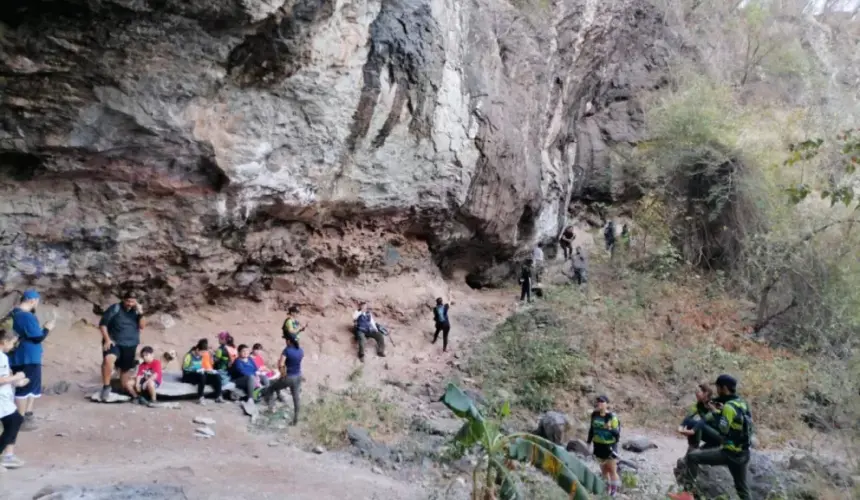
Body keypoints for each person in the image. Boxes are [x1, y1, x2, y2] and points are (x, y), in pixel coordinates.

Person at [682, 375, 753, 500]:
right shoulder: (742, 403)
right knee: (742, 489)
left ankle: (686, 495)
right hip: (744, 453)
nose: (717, 390)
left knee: (692, 457)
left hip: (730, 453)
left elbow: (722, 429)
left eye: (718, 387)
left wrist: (715, 412)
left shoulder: (729, 407)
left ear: (724, 388)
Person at [8, 289, 55, 431]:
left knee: (26, 386)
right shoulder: (26, 316)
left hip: (17, 355)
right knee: (25, 387)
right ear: (32, 300)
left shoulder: (13, 313)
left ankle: (27, 415)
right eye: (37, 301)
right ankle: (20, 419)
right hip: (28, 356)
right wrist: (47, 329)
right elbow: (37, 337)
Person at [99, 291, 145, 403]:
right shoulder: (115, 308)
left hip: (130, 344)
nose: (129, 303)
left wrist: (141, 313)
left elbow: (142, 326)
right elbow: (103, 324)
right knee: (108, 359)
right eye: (127, 301)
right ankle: (106, 387)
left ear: (136, 302)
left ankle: (129, 392)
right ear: (123, 300)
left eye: (132, 301)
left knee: (124, 371)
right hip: (114, 342)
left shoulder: (136, 311)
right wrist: (107, 339)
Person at [1, 328, 29, 469]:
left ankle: (7, 456)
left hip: (4, 397)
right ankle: (6, 456)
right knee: (15, 421)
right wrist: (16, 377)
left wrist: (15, 382)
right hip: (1, 399)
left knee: (13, 422)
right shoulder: (1, 357)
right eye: (12, 343)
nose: (13, 346)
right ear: (4, 342)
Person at [261, 334, 303, 425]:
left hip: (289, 377)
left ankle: (271, 408)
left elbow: (281, 364)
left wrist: (282, 374)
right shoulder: (300, 350)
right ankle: (296, 419)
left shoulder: (287, 350)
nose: (285, 341)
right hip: (298, 376)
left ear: (289, 341)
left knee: (271, 388)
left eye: (286, 340)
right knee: (296, 398)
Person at [587, 395, 621, 497]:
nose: (600, 404)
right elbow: (591, 429)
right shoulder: (594, 415)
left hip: (609, 446)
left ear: (607, 404)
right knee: (603, 470)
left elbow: (617, 434)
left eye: (602, 402)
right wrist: (588, 442)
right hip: (598, 446)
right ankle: (607, 489)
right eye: (598, 402)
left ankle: (614, 491)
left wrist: (610, 428)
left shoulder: (612, 417)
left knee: (612, 469)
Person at [678, 383, 721, 452]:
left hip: (720, 436)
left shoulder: (713, 404)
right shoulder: (699, 405)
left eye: (698, 392)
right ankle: (693, 448)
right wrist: (681, 427)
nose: (696, 394)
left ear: (706, 393)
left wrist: (693, 431)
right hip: (710, 433)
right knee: (692, 423)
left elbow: (705, 419)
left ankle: (694, 450)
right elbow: (689, 416)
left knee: (697, 424)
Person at [182, 339, 224, 405]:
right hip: (188, 375)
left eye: (204, 353)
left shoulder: (201, 356)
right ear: (197, 349)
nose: (203, 354)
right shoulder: (189, 356)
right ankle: (200, 397)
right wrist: (196, 370)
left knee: (216, 375)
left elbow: (201, 367)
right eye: (202, 352)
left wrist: (208, 370)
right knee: (202, 376)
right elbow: (185, 368)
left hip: (199, 374)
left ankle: (218, 396)